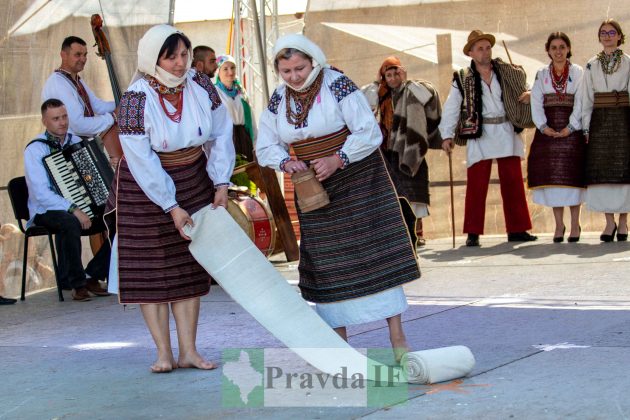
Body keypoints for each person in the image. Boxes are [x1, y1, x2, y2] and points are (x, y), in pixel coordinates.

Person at [256, 34, 420, 361]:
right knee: (328, 264)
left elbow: (369, 133)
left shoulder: (338, 84)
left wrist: (338, 159)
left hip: (359, 177)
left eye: (299, 68)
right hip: (312, 187)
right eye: (286, 71)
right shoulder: (278, 99)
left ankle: (398, 339)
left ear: (313, 61)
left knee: (377, 255)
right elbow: (265, 146)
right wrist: (286, 161)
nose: (294, 76)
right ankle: (341, 350)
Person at [105, 25, 234, 372]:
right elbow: (140, 158)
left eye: (183, 55)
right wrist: (170, 205)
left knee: (188, 266)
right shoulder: (135, 99)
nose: (180, 63)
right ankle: (163, 352)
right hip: (146, 187)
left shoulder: (201, 84)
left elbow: (222, 132)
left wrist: (221, 181)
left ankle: (188, 350)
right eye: (171, 56)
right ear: (153, 59)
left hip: (193, 176)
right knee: (152, 270)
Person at [439, 29, 538, 247]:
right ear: (471, 53)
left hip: (505, 129)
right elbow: (452, 107)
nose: (485, 52)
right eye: (480, 48)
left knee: (512, 182)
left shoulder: (507, 71)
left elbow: (526, 85)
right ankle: (473, 232)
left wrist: (531, 92)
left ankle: (517, 229)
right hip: (480, 134)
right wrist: (446, 135)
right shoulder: (462, 77)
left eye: (488, 47)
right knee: (477, 184)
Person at [24, 99, 111, 301]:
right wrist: (73, 208)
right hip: (45, 211)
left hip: (82, 206)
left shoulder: (76, 143)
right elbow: (40, 194)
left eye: (64, 117)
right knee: (69, 222)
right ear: (45, 121)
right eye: (56, 119)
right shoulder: (35, 149)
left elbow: (93, 177)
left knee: (119, 218)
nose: (62, 122)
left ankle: (93, 274)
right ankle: (77, 284)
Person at [375, 56, 442, 246]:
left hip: (409, 149)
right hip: (388, 152)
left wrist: (406, 82)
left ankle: (417, 233)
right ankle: (399, 236)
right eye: (389, 74)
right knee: (394, 196)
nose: (393, 78)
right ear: (384, 77)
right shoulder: (379, 95)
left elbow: (428, 96)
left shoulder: (412, 89)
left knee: (414, 193)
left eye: (396, 73)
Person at [528, 32, 586, 243]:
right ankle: (559, 225)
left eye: (562, 47)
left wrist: (572, 126)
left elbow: (581, 100)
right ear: (548, 51)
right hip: (549, 130)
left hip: (571, 129)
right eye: (554, 48)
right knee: (553, 180)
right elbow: (535, 100)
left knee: (572, 177)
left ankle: (574, 225)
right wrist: (543, 127)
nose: (558, 51)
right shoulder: (542, 73)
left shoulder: (578, 72)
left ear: (568, 49)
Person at [581, 19, 630, 242]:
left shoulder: (628, 62)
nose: (607, 36)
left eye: (612, 32)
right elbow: (586, 98)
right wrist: (585, 127)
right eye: (603, 32)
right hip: (599, 121)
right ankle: (609, 222)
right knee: (602, 171)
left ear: (619, 36)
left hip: (622, 119)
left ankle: (623, 222)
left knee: (623, 169)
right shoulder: (591, 64)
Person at [42, 36, 116, 140]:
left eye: (85, 55)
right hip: (71, 148)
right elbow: (78, 125)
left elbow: (98, 106)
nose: (83, 59)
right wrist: (113, 117)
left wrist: (123, 103)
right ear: (63, 55)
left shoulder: (76, 79)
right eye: (78, 55)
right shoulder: (58, 83)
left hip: (84, 143)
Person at [214, 54, 256, 162]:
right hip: (226, 138)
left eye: (232, 68)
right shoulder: (215, 92)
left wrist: (256, 141)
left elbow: (251, 118)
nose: (230, 72)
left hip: (244, 137)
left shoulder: (241, 91)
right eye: (225, 69)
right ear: (218, 71)